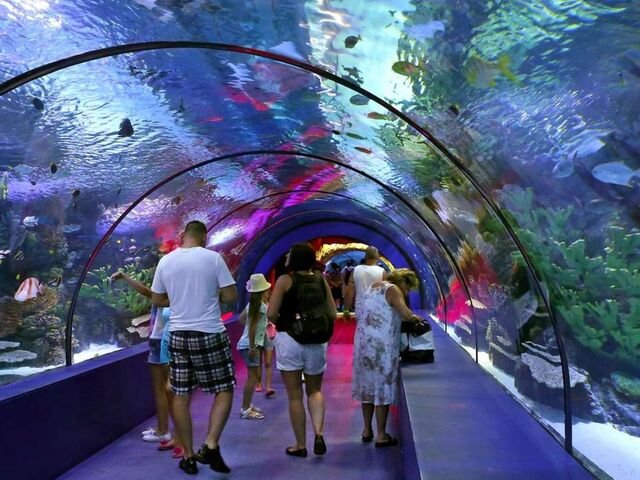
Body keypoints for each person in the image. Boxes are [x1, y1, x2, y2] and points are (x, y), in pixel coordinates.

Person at [151, 221, 238, 475]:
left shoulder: (166, 262)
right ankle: (210, 444)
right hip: (209, 332)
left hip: (178, 334)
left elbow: (157, 299)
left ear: (183, 236)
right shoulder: (213, 259)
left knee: (181, 394)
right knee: (224, 388)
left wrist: (179, 298)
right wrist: (211, 294)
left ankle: (188, 456)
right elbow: (231, 296)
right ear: (204, 237)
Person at [267, 242, 337, 458]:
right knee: (315, 391)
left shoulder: (284, 280)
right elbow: (332, 313)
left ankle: (300, 444)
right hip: (316, 341)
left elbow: (271, 313)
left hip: (289, 340)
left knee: (295, 396)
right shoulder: (320, 279)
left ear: (294, 258)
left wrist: (285, 321)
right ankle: (319, 433)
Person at [352, 268, 424, 447]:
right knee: (382, 388)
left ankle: (366, 430)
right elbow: (405, 313)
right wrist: (416, 318)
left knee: (367, 388)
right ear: (403, 282)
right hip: (381, 347)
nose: (407, 292)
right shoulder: (393, 289)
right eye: (408, 288)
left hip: (363, 344)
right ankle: (381, 435)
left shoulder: (372, 287)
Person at [110, 271, 179, 451]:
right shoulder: (171, 290)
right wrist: (126, 277)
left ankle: (170, 432)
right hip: (158, 340)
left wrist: (126, 278)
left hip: (163, 340)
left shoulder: (169, 293)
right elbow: (148, 293)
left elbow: (148, 293)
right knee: (160, 389)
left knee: (166, 389)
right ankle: (162, 428)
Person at [237, 273, 272, 419]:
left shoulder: (251, 305)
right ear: (263, 291)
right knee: (252, 378)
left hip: (247, 344)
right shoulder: (261, 307)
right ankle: (245, 409)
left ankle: (247, 404)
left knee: (254, 376)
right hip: (251, 346)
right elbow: (252, 327)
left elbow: (241, 319)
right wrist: (252, 346)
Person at [350, 246, 387, 318]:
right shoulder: (383, 272)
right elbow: (386, 293)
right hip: (377, 307)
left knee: (361, 325)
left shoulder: (356, 270)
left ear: (365, 257)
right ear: (377, 257)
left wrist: (346, 309)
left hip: (360, 307)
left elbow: (349, 292)